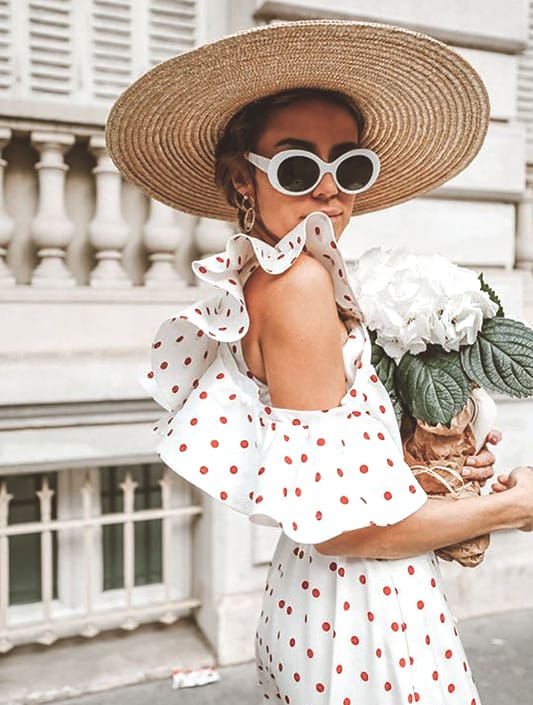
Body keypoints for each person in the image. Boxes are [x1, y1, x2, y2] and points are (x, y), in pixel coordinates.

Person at [106, 20, 533, 705]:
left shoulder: (266, 277)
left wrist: (429, 463)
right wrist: (511, 508)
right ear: (245, 179)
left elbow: (338, 481)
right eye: (300, 166)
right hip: (366, 627)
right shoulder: (298, 286)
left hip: (319, 614)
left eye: (350, 165)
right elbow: (346, 527)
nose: (331, 190)